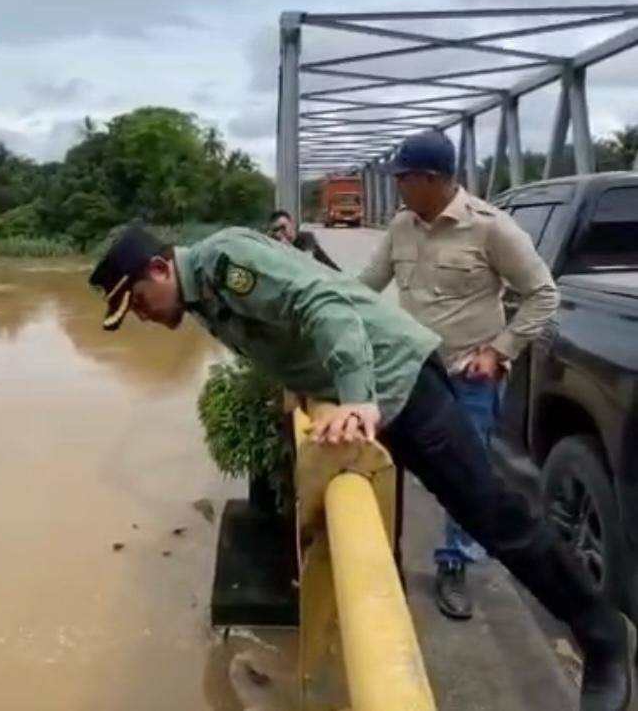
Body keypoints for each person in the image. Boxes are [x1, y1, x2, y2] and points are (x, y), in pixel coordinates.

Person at [89, 223, 635, 711]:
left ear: (160, 268)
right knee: (385, 537)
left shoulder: (226, 264)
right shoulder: (204, 295)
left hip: (397, 383)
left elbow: (325, 306)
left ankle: (601, 634)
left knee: (491, 513)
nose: (143, 315)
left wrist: (353, 396)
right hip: (367, 400)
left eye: (138, 301)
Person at [359, 128, 560, 621]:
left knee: (465, 478)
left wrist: (500, 351)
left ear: (431, 179)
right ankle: (389, 555)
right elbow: (364, 288)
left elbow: (543, 294)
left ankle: (453, 566)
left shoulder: (492, 228)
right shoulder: (401, 226)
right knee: (389, 462)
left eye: (403, 179)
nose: (398, 187)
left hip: (470, 375)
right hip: (409, 374)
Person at [268, 208, 340, 270]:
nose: (280, 232)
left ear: (292, 224)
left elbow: (306, 261)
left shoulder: (306, 238)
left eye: (283, 227)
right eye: (276, 230)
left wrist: (286, 248)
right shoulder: (274, 246)